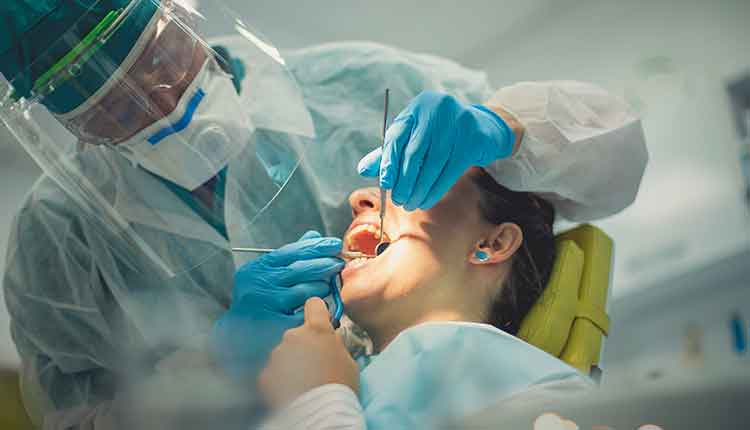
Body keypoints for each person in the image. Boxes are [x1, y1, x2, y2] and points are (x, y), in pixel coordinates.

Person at [0, 0, 647, 428]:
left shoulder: (354, 84)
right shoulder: (61, 237)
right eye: (98, 100)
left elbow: (606, 157)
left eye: (154, 55)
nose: (154, 97)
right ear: (53, 116)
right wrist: (212, 372)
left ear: (180, 13)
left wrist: (505, 130)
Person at [257, 168, 591, 429]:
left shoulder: (539, 389)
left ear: (492, 244)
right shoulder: (347, 373)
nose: (359, 198)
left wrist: (317, 405)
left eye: (416, 179)